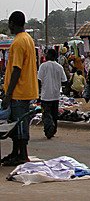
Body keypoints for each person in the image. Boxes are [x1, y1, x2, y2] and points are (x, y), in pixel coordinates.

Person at [1, 11, 39, 166]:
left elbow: (16, 69)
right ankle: (16, 152)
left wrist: (8, 94)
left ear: (12, 23)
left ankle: (22, 154)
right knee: (17, 124)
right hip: (26, 89)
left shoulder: (17, 43)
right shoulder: (28, 39)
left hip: (19, 91)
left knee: (19, 124)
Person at [37, 48, 67, 139]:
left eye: (47, 54)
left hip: (46, 95)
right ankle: (53, 130)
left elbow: (39, 80)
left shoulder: (43, 66)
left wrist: (38, 92)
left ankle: (49, 128)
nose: (45, 56)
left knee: (46, 114)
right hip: (56, 95)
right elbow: (65, 81)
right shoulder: (59, 67)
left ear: (50, 55)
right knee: (54, 114)